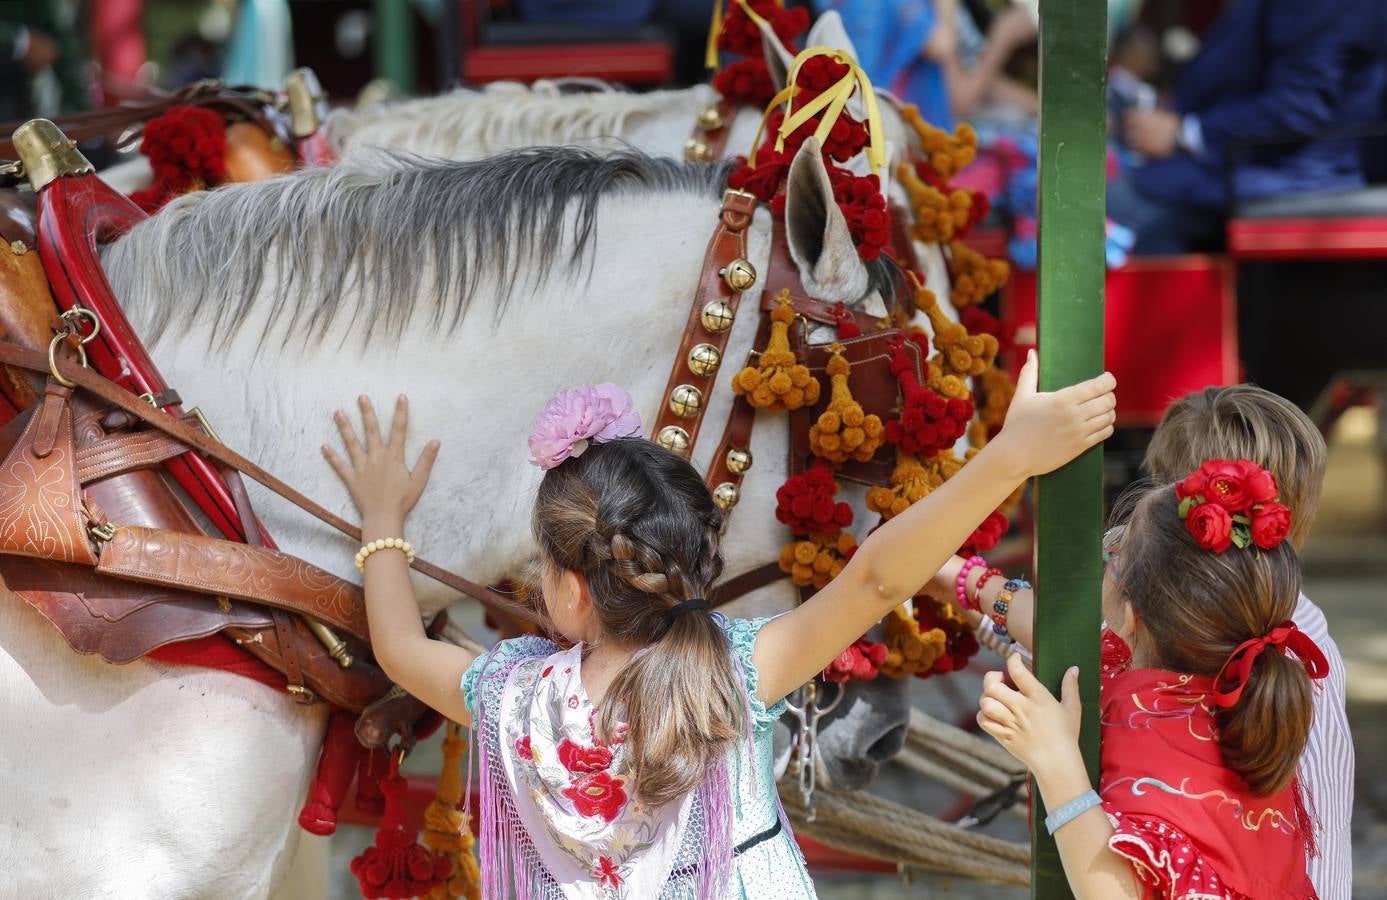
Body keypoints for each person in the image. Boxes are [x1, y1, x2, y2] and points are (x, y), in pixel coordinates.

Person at [322, 351, 1116, 897]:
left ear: (568, 589)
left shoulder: (504, 697)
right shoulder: (734, 674)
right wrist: (1010, 456)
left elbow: (398, 648)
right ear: (697, 561)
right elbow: (877, 576)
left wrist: (383, 520)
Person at [933, 384, 1353, 898]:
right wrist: (958, 581)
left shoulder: (1166, 733)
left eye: (1119, 550)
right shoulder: (1249, 643)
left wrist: (1055, 760)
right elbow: (1081, 634)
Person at [1109, 0, 1386, 254]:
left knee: (1105, 209)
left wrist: (1184, 133)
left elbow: (1296, 108)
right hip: (1255, 167)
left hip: (1288, 176)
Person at [819, 0, 1037, 131]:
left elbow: (974, 80)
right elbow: (959, 95)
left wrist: (1038, 107)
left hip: (885, 130)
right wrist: (1004, 35)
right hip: (906, 141)